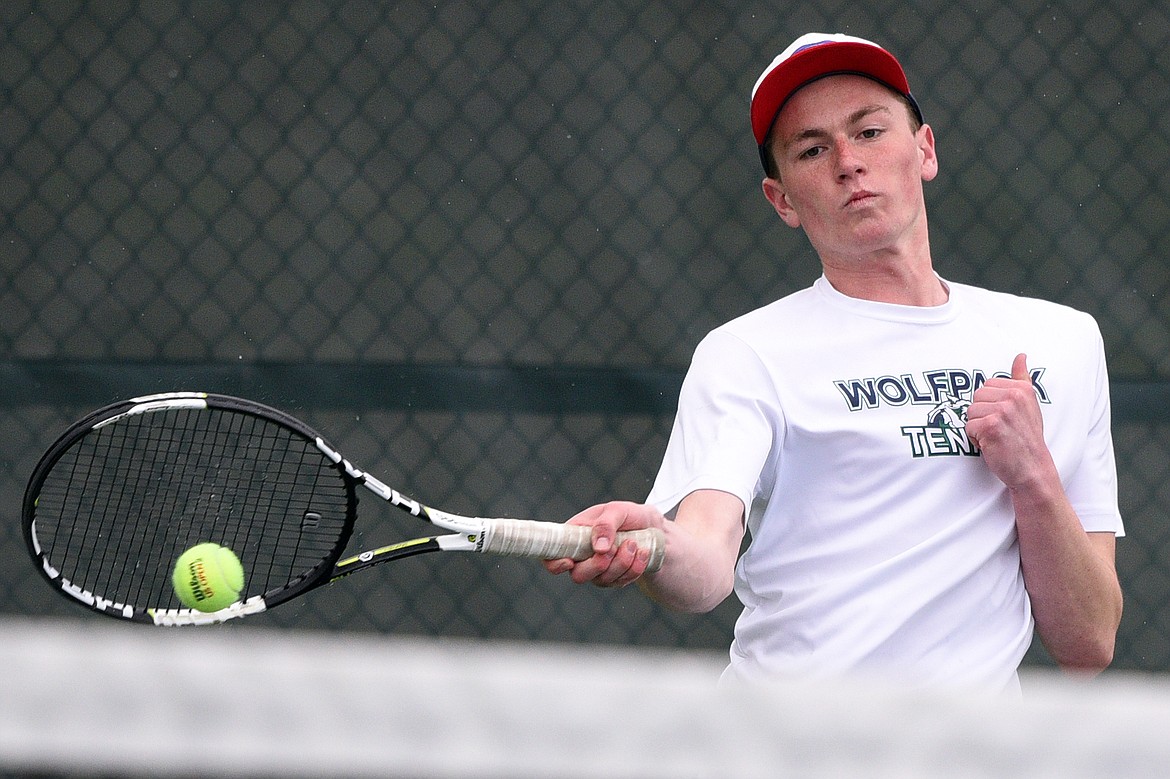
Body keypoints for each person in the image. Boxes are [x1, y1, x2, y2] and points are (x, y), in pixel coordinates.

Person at [544, 32, 1124, 692]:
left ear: (925, 149)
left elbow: (1090, 640)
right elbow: (705, 562)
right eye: (813, 149)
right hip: (786, 750)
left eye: (870, 131)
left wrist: (1033, 476)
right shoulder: (746, 355)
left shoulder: (1064, 342)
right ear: (782, 199)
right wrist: (654, 545)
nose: (848, 161)